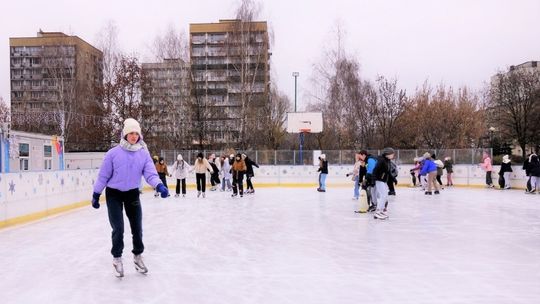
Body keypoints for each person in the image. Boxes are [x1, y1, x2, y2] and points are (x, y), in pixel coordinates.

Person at [91, 118, 169, 277]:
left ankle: (137, 256)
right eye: (130, 133)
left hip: (132, 193)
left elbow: (150, 173)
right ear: (125, 134)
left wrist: (159, 186)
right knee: (118, 228)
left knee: (137, 228)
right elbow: (103, 176)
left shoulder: (143, 153)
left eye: (136, 133)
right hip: (114, 194)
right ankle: (117, 258)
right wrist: (96, 194)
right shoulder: (113, 153)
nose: (134, 136)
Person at [372, 147, 395, 220]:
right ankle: (378, 212)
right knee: (383, 195)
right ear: (387, 154)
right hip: (379, 180)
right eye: (392, 154)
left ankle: (381, 210)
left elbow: (388, 172)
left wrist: (393, 178)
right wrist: (373, 180)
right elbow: (375, 170)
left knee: (385, 196)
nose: (393, 155)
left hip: (384, 180)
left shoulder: (387, 160)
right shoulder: (381, 160)